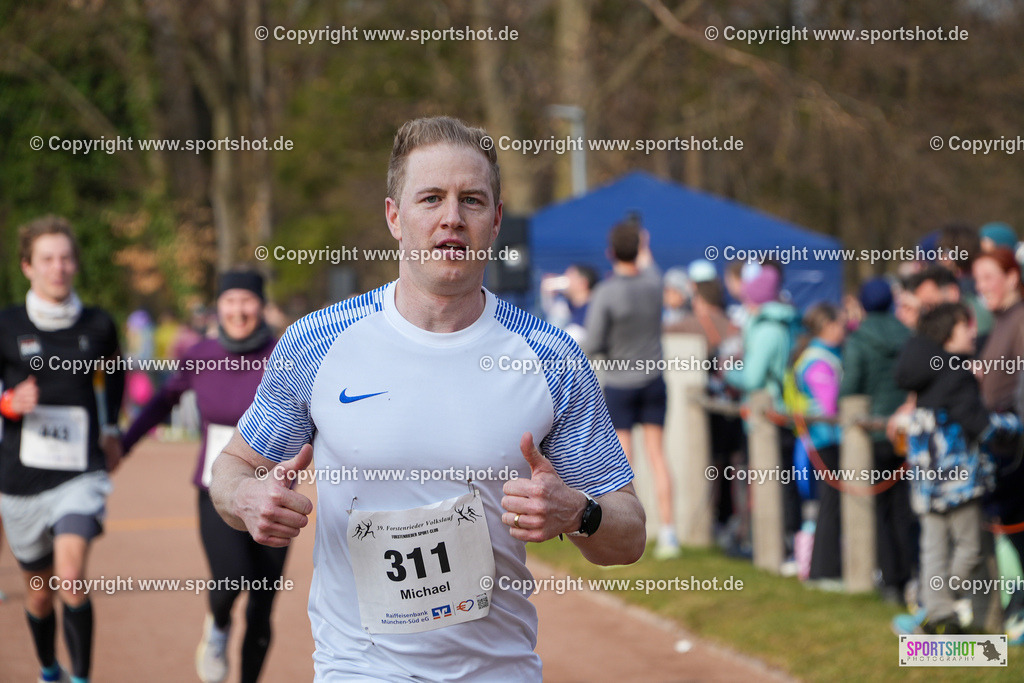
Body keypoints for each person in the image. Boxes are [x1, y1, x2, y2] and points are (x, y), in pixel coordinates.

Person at [209, 116, 645, 681]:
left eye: (472, 200)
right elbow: (231, 466)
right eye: (431, 198)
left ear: (495, 221)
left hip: (498, 669)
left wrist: (579, 513)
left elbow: (629, 531)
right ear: (394, 217)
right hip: (359, 666)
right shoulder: (319, 342)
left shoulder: (550, 355)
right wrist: (245, 497)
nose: (451, 219)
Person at [121, 271, 285, 683]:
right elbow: (162, 402)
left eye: (247, 301)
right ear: (219, 307)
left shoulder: (285, 353)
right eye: (230, 301)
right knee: (231, 580)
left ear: (261, 305)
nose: (239, 310)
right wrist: (121, 445)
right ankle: (217, 627)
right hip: (218, 489)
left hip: (275, 493)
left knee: (262, 604)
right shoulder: (200, 353)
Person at [0, 216, 125, 683]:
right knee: (39, 592)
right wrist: (8, 403)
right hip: (20, 481)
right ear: (27, 266)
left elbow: (115, 375)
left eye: (67, 258)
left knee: (70, 577)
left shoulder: (98, 324)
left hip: (80, 473)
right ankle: (49, 667)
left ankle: (81, 677)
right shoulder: (7, 324)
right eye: (48, 259)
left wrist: (111, 427)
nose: (59, 267)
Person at [895, 302, 1021, 634]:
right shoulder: (956, 373)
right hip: (957, 481)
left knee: (933, 548)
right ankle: (940, 605)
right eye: (966, 326)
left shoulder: (925, 374)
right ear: (950, 333)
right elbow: (980, 425)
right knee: (970, 546)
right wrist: (1015, 426)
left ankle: (937, 614)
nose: (973, 332)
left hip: (927, 483)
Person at [584, 219, 679, 559]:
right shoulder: (655, 282)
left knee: (624, 462)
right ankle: (669, 533)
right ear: (639, 249)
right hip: (654, 380)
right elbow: (650, 265)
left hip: (622, 385)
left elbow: (592, 342)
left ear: (610, 253)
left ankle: (631, 531)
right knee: (658, 457)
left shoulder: (607, 293)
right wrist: (644, 244)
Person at [839, 278, 917, 605]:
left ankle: (891, 580)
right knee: (905, 507)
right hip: (903, 429)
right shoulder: (909, 336)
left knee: (882, 509)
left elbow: (851, 388)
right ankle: (911, 573)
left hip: (872, 434)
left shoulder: (858, 340)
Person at [724, 262, 802, 558]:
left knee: (776, 484)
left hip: (769, 416)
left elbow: (753, 378)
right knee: (779, 482)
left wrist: (730, 372)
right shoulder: (781, 321)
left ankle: (775, 545)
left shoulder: (768, 328)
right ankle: (776, 542)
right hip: (777, 414)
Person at [972, 247, 1024, 642]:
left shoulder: (1020, 319)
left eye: (988, 277)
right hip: (1001, 446)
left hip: (1017, 444)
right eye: (977, 279)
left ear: (1012, 276)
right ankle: (1012, 613)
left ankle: (1018, 615)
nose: (981, 286)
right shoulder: (1001, 321)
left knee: (1016, 531)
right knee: (1006, 530)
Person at [787, 303, 846, 585]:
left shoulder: (814, 355)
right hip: (826, 440)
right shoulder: (819, 359)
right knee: (830, 503)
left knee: (828, 502)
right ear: (828, 326)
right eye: (840, 324)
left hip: (818, 439)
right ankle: (825, 569)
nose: (844, 330)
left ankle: (823, 568)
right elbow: (829, 406)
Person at [540, 263, 599, 345]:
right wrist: (547, 296)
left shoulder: (593, 309)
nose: (565, 280)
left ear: (583, 283)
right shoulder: (568, 307)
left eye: (569, 276)